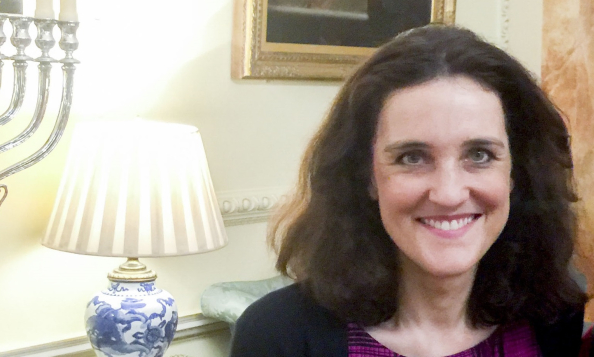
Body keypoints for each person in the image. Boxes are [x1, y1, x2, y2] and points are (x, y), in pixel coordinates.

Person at [231, 25, 588, 357]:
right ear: (367, 176)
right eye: (412, 157)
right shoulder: (276, 334)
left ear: (516, 172)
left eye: (479, 155)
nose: (448, 194)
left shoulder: (553, 315)